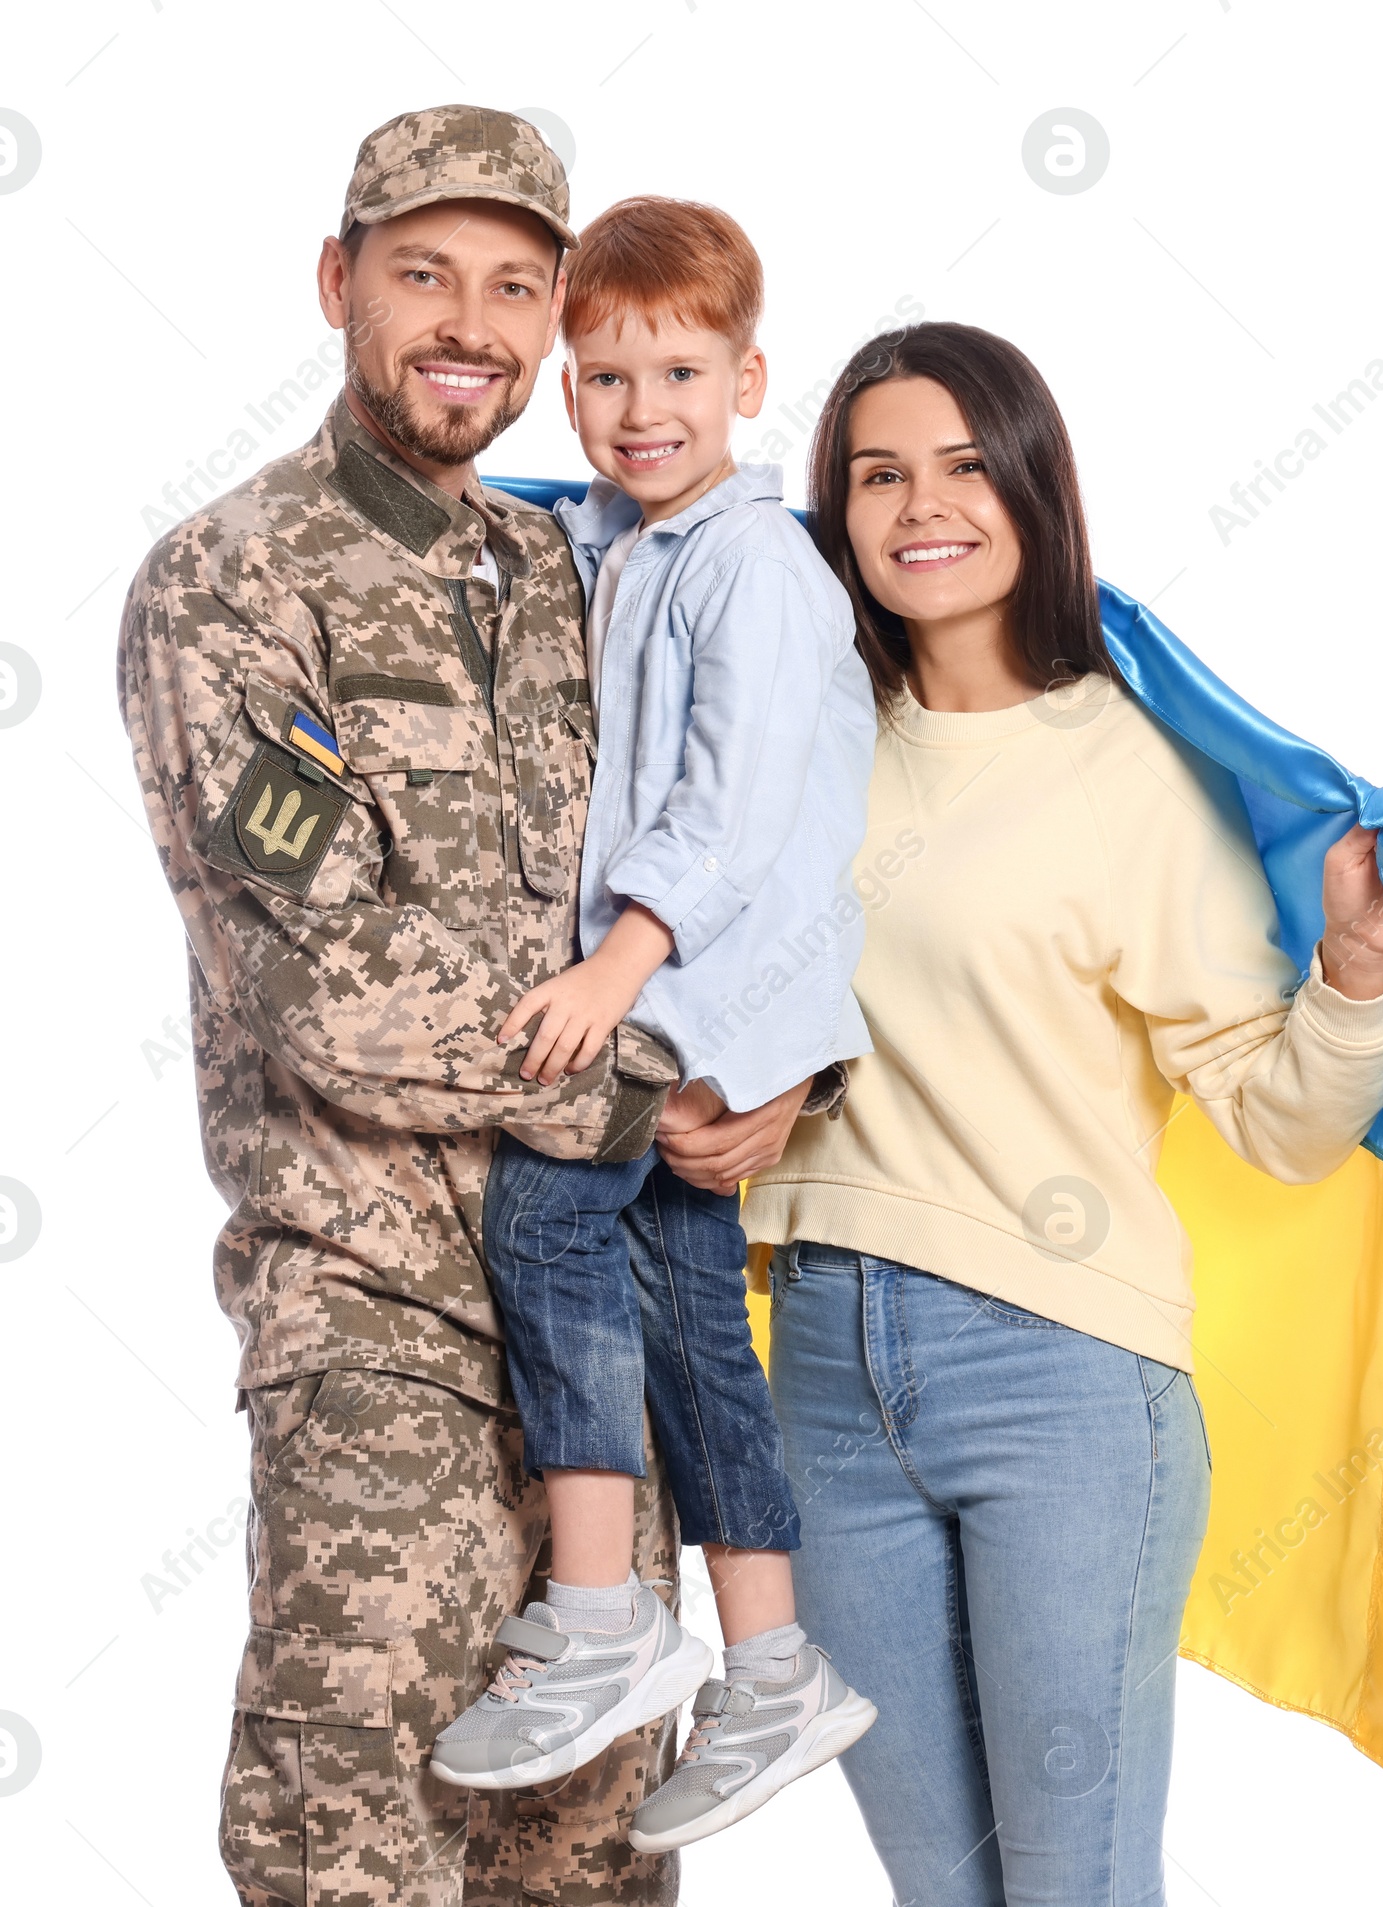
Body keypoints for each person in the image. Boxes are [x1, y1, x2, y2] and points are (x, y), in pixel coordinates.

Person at [671, 322, 1383, 1905]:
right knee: (940, 1892)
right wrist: (713, 1120)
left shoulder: (1124, 769)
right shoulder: (795, 740)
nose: (919, 507)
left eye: (965, 465)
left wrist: (1355, 975)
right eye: (876, 474)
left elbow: (1281, 1124)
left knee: (1074, 1885)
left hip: (1060, 1379)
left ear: (1034, 489)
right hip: (815, 1371)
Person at [117, 106, 718, 1907]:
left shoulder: (561, 576)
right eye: (424, 274)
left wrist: (776, 1072)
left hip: (592, 1326)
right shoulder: (235, 585)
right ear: (338, 286)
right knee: (358, 1847)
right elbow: (328, 992)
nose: (471, 321)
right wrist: (646, 1090)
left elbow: (693, 855)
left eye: (516, 286)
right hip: (375, 1322)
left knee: (596, 1850)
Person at [431, 196, 879, 1851]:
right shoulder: (628, 547)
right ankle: (771, 1664)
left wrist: (620, 967)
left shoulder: (755, 562)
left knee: (546, 1211)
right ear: (568, 394)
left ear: (751, 378)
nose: (643, 412)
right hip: (698, 979)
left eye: (681, 373)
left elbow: (732, 803)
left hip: (707, 974)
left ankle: (605, 1608)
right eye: (606, 378)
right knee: (692, 1317)